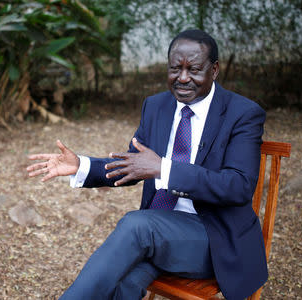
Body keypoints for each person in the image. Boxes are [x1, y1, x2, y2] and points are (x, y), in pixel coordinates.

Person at [26, 29, 267, 300]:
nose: (183, 78)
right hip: (158, 237)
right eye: (175, 68)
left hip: (215, 241)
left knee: (136, 226)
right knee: (122, 282)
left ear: (214, 70)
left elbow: (238, 187)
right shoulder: (156, 106)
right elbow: (132, 165)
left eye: (194, 70)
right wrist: (81, 165)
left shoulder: (242, 113)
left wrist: (164, 169)